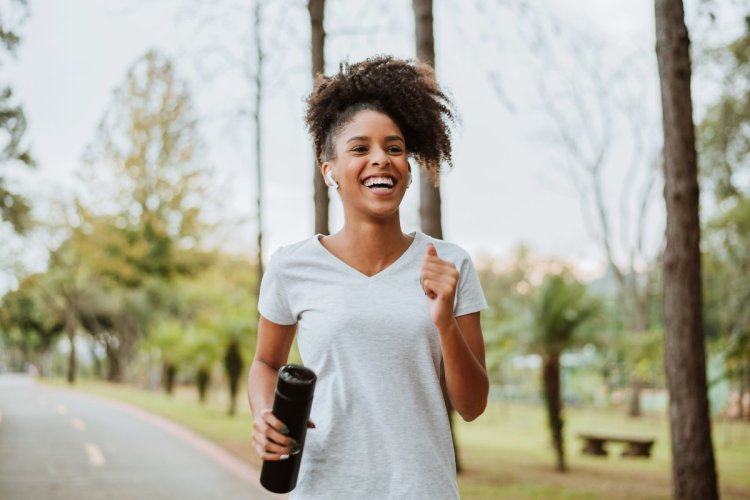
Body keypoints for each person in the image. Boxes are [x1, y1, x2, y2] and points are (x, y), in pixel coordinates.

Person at [247, 55, 489, 499]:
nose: (381, 159)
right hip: (323, 488)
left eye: (394, 148)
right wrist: (265, 413)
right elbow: (266, 363)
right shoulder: (291, 266)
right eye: (360, 149)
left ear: (408, 169)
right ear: (330, 171)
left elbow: (472, 406)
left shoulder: (450, 264)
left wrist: (445, 323)